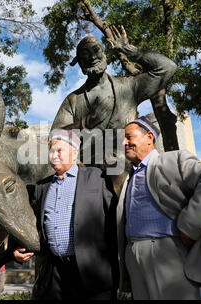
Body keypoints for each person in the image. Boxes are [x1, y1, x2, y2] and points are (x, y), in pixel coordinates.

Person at [51, 26, 177, 194]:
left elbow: (167, 68)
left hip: (127, 174)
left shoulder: (129, 86)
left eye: (96, 50)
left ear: (104, 54)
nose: (93, 57)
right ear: (80, 64)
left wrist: (129, 50)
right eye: (85, 55)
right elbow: (54, 138)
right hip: (86, 176)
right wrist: (85, 122)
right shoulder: (73, 100)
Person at [116, 116, 201, 300]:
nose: (124, 142)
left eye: (129, 137)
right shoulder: (130, 176)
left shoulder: (174, 160)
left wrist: (188, 225)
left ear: (149, 137)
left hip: (167, 254)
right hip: (134, 257)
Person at [14, 129, 119, 300]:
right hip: (55, 273)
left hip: (92, 273)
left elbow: (114, 221)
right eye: (51, 151)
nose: (54, 155)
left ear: (74, 152)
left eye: (59, 150)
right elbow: (32, 224)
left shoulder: (97, 178)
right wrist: (17, 248)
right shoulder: (42, 187)